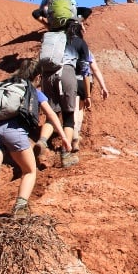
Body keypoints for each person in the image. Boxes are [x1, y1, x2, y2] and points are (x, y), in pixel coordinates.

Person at [0, 58, 71, 216]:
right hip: (14, 133)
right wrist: (64, 136)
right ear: (37, 77)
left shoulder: (4, 86)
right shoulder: (33, 91)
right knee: (29, 171)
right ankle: (20, 209)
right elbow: (51, 114)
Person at [38, 20, 94, 168]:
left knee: (52, 114)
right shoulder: (80, 43)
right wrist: (87, 96)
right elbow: (85, 72)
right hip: (67, 73)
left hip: (48, 75)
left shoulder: (56, 39)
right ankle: (65, 154)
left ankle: (42, 141)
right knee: (69, 116)